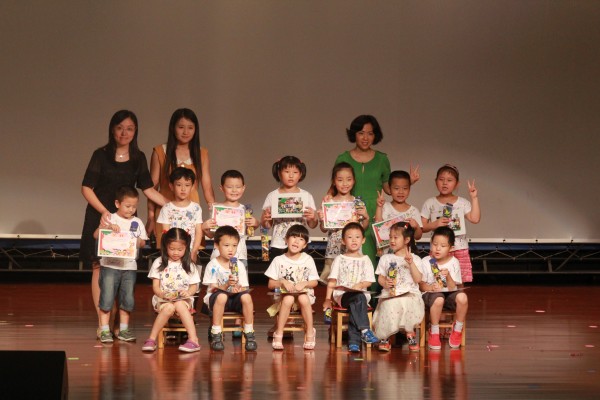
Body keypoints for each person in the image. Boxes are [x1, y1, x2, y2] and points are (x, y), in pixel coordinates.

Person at [81, 110, 166, 337]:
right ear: (112, 129)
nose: (124, 133)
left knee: (123, 269)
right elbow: (86, 187)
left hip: (127, 221)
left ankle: (120, 324)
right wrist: (105, 212)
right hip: (101, 216)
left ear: (135, 131)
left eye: (129, 129)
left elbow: (148, 189)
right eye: (119, 128)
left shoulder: (138, 157)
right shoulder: (100, 155)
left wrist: (172, 206)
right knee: (99, 267)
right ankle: (103, 324)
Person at [333, 115, 419, 285]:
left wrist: (409, 182)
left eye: (370, 133)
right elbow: (335, 184)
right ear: (354, 134)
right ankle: (352, 293)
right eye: (361, 133)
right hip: (351, 214)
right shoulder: (343, 158)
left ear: (375, 135)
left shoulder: (382, 159)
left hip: (377, 214)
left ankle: (373, 295)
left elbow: (388, 188)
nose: (365, 138)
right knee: (352, 255)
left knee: (375, 257)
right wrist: (328, 197)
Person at [148, 108, 215, 249]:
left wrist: (215, 214)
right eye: (181, 127)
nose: (186, 132)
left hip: (191, 214)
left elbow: (207, 187)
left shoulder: (202, 153)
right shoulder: (160, 152)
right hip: (166, 213)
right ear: (173, 128)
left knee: (192, 252)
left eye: (190, 127)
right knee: (169, 252)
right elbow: (151, 188)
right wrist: (151, 217)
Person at [93, 186, 148, 343]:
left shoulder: (137, 222)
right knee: (107, 298)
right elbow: (96, 235)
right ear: (117, 203)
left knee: (127, 299)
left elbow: (143, 242)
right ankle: (104, 330)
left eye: (134, 207)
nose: (131, 210)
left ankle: (123, 329)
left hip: (129, 267)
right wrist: (107, 228)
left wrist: (135, 240)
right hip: (109, 266)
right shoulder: (110, 218)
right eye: (127, 206)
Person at [322, 222, 379, 353]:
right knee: (358, 298)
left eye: (357, 237)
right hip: (343, 296)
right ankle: (365, 330)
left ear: (363, 240)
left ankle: (354, 343)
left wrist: (360, 285)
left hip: (361, 295)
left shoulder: (366, 259)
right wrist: (327, 299)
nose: (354, 240)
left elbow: (369, 281)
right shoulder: (339, 259)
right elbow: (332, 281)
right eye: (350, 237)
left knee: (357, 300)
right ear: (343, 241)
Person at [142, 228, 202, 353]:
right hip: (163, 299)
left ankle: (193, 339)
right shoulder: (159, 262)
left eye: (180, 250)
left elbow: (194, 286)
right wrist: (162, 294)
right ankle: (151, 339)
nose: (175, 253)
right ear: (165, 247)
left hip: (183, 300)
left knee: (179, 304)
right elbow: (156, 287)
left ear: (186, 248)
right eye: (172, 249)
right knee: (169, 307)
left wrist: (188, 293)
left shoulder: (189, 265)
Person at [421, 164, 480, 283]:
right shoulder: (430, 203)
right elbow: (422, 227)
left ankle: (459, 296)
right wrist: (435, 224)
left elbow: (475, 219)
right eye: (441, 179)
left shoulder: (462, 202)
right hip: (438, 249)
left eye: (449, 180)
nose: (444, 183)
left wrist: (474, 198)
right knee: (436, 279)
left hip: (459, 248)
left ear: (457, 184)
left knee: (459, 281)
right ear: (436, 181)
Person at [265, 225, 319, 350]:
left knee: (303, 298)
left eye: (301, 239)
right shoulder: (278, 260)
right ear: (286, 239)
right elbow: (270, 284)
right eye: (293, 237)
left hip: (304, 297)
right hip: (283, 297)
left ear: (305, 245)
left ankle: (310, 331)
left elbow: (315, 282)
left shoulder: (308, 259)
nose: (296, 241)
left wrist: (305, 283)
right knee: (288, 298)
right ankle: (279, 333)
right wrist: (282, 282)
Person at [203, 226, 257, 352]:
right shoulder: (212, 265)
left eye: (234, 245)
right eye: (226, 245)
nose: (231, 249)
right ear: (216, 245)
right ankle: (216, 333)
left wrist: (238, 288)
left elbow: (244, 286)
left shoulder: (239, 265)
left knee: (246, 296)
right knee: (222, 296)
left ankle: (249, 332)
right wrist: (226, 285)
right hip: (217, 299)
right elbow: (212, 287)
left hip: (234, 298)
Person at [372, 222, 424, 352]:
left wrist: (411, 263)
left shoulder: (415, 259)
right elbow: (380, 278)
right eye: (390, 237)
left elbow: (418, 279)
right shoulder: (386, 258)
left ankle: (410, 333)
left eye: (396, 237)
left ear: (406, 240)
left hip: (410, 294)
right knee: (388, 304)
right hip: (391, 294)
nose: (392, 240)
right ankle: (385, 336)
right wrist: (385, 283)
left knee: (408, 303)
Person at [417, 226, 468, 349]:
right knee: (439, 299)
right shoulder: (425, 261)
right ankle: (434, 331)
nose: (438, 248)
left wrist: (448, 276)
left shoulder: (454, 262)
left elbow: (453, 287)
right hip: (431, 296)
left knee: (463, 297)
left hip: (449, 294)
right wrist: (430, 287)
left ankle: (457, 329)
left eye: (443, 246)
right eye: (435, 244)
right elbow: (421, 285)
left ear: (451, 248)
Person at [318, 162, 369, 281]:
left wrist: (366, 217)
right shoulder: (329, 202)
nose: (345, 183)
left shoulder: (358, 203)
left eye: (349, 179)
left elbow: (363, 228)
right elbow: (323, 229)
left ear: (354, 181)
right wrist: (322, 220)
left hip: (353, 249)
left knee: (352, 280)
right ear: (334, 182)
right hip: (334, 249)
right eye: (340, 180)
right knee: (333, 281)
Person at [260, 156, 318, 260]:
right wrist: (265, 219)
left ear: (300, 174)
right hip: (278, 243)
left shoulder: (306, 196)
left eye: (295, 172)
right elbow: (266, 225)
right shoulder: (272, 196)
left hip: (300, 242)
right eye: (286, 172)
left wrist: (313, 218)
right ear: (279, 173)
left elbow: (313, 225)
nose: (291, 176)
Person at [156, 167, 203, 262]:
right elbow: (166, 233)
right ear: (171, 186)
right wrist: (168, 252)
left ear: (192, 186)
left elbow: (198, 232)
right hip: (172, 253)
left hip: (189, 253)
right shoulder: (167, 208)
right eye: (178, 185)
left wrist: (194, 251)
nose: (183, 189)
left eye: (187, 185)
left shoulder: (196, 208)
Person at [374, 170, 423, 254]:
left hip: (407, 256)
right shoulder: (385, 207)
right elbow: (378, 226)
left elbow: (418, 236)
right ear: (389, 189)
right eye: (396, 188)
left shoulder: (414, 211)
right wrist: (379, 207)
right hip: (387, 255)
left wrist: (416, 227)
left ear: (409, 189)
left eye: (405, 188)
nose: (401, 192)